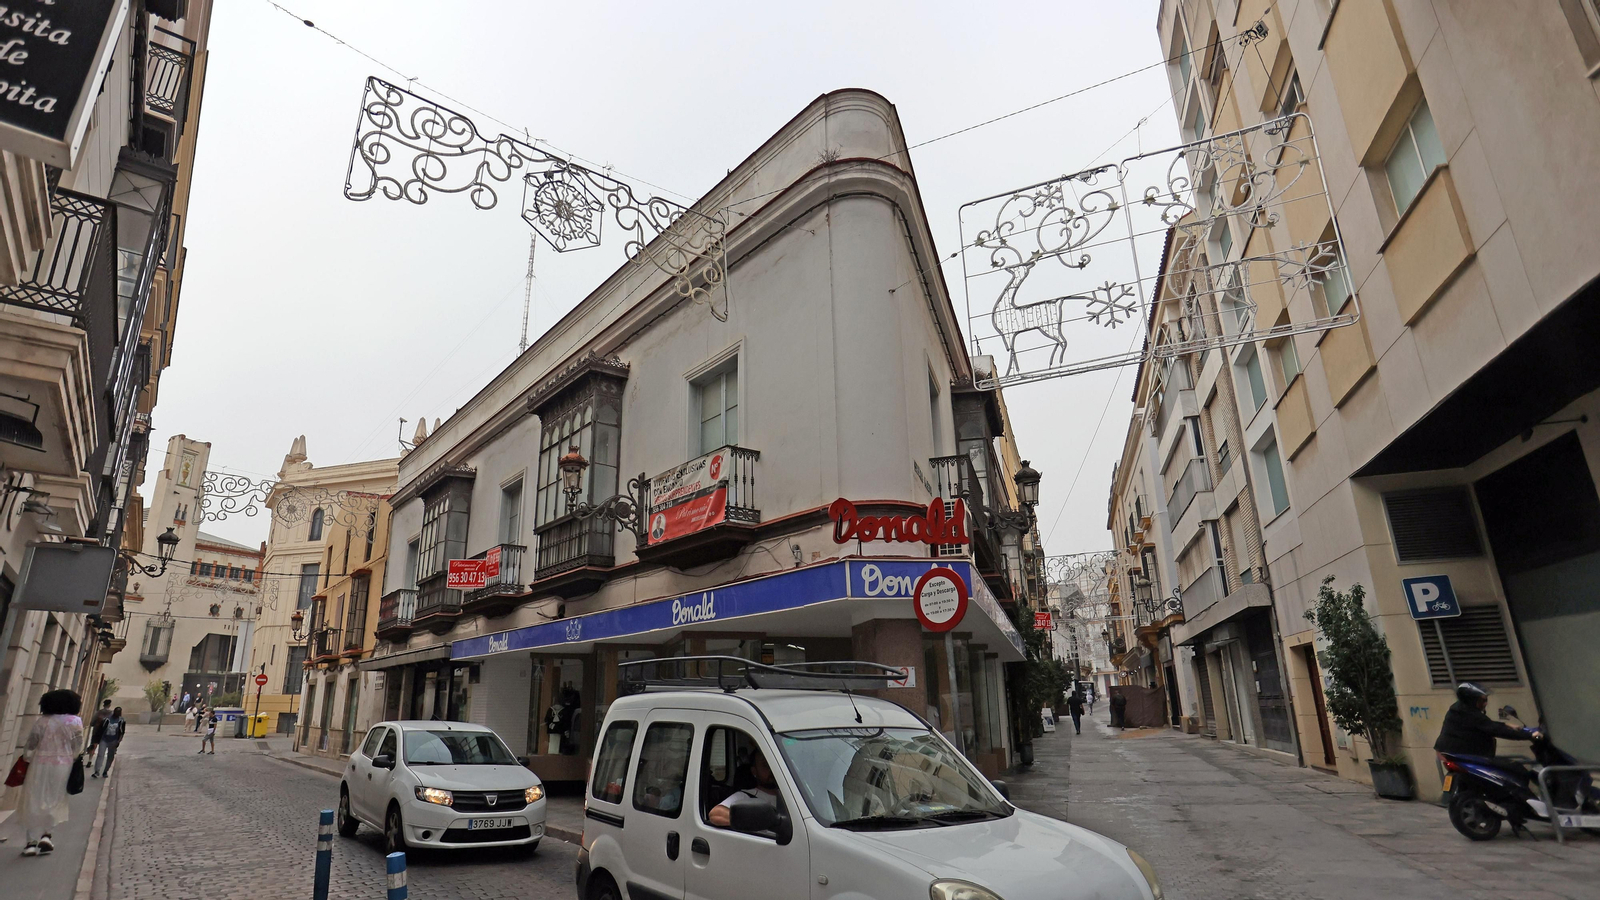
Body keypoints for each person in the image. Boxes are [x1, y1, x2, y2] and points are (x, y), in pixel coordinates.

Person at [17, 689, 84, 857]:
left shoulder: (42, 721)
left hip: (39, 764)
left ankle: (31, 842)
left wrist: (27, 758)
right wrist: (73, 757)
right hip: (63, 766)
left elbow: (31, 744)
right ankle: (47, 835)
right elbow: (77, 746)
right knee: (56, 798)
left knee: (34, 799)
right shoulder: (75, 721)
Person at [1434, 682, 1537, 758]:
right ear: (1472, 700)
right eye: (1482, 700)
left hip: (1451, 752)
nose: (1485, 703)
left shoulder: (1460, 709)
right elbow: (1495, 730)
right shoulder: (1471, 714)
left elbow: (1486, 724)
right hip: (1462, 754)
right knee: (1514, 769)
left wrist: (1506, 725)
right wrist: (1530, 735)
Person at [708, 748, 780, 828]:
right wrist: (754, 820)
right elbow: (716, 814)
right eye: (765, 765)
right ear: (754, 771)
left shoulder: (789, 793)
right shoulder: (745, 796)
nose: (772, 769)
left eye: (775, 765)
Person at [91, 707, 126, 778]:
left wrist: (118, 741)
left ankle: (105, 771)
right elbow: (100, 729)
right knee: (100, 755)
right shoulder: (107, 719)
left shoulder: (121, 721)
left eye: (119, 712)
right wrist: (96, 740)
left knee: (110, 756)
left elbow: (122, 732)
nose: (117, 713)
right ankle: (97, 771)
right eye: (116, 712)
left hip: (113, 741)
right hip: (104, 739)